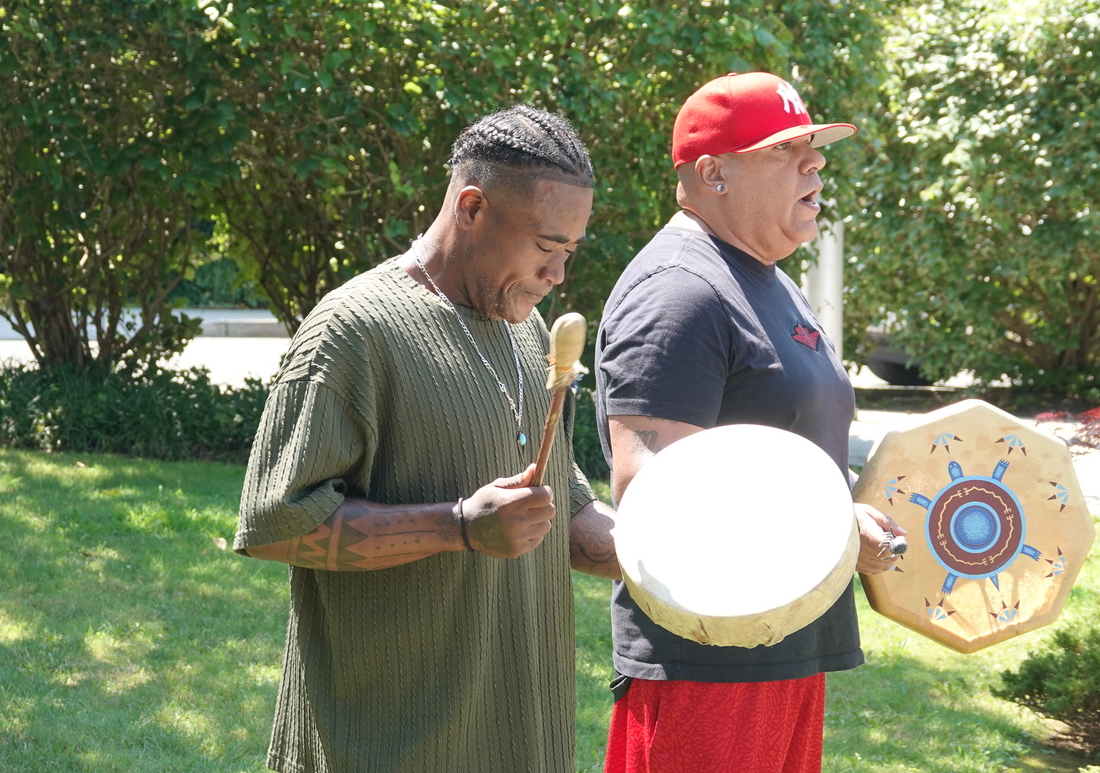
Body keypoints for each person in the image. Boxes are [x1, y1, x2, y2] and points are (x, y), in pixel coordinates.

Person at [235, 106, 620, 773]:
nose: (558, 275)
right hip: (386, 746)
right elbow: (274, 524)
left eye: (569, 253)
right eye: (545, 246)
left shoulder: (528, 330)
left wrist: (671, 551)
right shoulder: (353, 331)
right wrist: (458, 526)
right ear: (471, 207)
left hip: (523, 743)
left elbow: (562, 514)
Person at [593, 72, 903, 773]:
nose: (816, 162)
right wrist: (827, 522)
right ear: (713, 173)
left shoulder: (766, 278)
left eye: (815, 147)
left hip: (786, 645)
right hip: (709, 668)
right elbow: (652, 492)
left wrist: (857, 514)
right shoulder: (681, 290)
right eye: (786, 149)